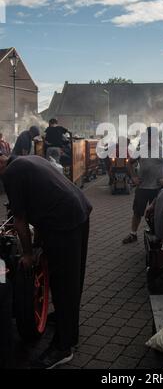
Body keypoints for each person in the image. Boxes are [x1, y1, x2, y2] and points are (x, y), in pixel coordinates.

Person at [0, 154, 92, 369]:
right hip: (79, 208)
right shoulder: (27, 159)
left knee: (62, 282)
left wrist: (28, 254)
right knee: (73, 275)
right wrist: (40, 237)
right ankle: (65, 317)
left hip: (64, 221)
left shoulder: (11, 174)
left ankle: (63, 346)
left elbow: (20, 219)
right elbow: (42, 199)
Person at [123, 126, 163, 244]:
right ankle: (133, 234)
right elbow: (129, 164)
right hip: (142, 188)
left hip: (157, 189)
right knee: (137, 212)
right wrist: (133, 177)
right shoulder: (140, 150)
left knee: (157, 213)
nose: (150, 139)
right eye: (148, 137)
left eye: (152, 137)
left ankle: (158, 234)